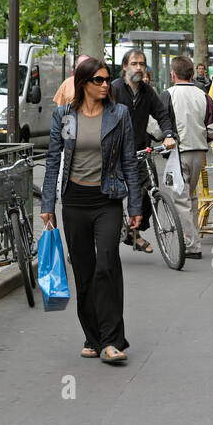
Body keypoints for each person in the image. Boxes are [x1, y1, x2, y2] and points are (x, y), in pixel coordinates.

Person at [40, 57, 141, 365]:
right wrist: (48, 205)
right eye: (98, 80)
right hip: (74, 202)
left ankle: (111, 340)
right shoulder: (64, 116)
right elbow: (53, 162)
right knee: (84, 272)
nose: (105, 84)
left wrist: (135, 205)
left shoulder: (118, 114)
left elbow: (129, 162)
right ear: (82, 83)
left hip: (107, 200)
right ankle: (92, 336)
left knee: (106, 265)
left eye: (107, 79)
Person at [109, 49, 177, 251]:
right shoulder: (114, 89)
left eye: (142, 64)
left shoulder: (147, 91)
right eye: (134, 63)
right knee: (111, 197)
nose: (139, 67)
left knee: (148, 192)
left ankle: (133, 233)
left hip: (139, 150)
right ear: (125, 67)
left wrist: (168, 134)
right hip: (115, 152)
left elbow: (162, 114)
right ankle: (97, 241)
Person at [163, 55, 213, 260]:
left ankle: (191, 244)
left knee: (181, 199)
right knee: (192, 197)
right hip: (200, 151)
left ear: (173, 74)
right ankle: (193, 237)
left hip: (179, 151)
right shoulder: (203, 95)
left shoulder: (168, 94)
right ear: (192, 73)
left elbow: (156, 125)